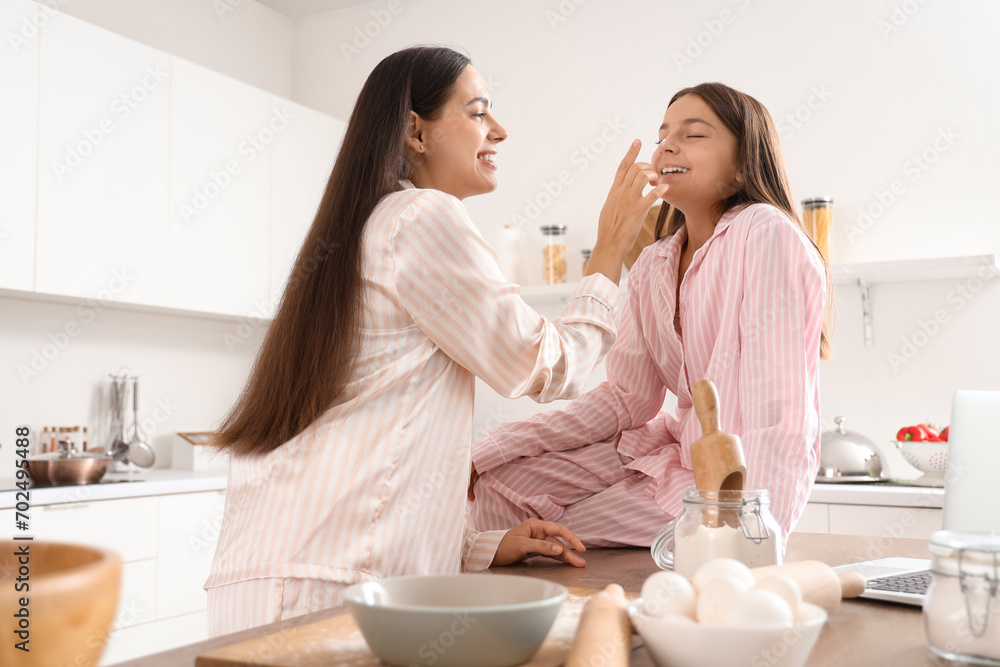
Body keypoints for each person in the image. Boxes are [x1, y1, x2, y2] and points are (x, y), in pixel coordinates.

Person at [203, 46, 667, 636]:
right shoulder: (422, 217)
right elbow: (546, 367)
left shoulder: (369, 225)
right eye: (477, 112)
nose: (499, 129)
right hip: (324, 589)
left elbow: (379, 443)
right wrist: (609, 249)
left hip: (285, 577)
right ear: (415, 132)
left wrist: (479, 548)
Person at [468, 82, 832, 554]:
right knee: (499, 480)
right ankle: (525, 606)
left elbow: (778, 412)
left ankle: (578, 594)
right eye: (663, 135)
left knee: (554, 531)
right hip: (672, 461)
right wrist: (491, 448)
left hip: (731, 496)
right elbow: (627, 399)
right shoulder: (653, 265)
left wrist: (752, 538)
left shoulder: (764, 235)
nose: (667, 146)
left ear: (743, 163)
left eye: (694, 134)